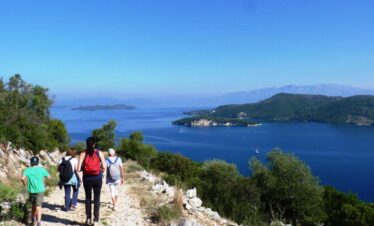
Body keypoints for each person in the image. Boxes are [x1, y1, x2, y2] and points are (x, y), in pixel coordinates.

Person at [77, 137, 106, 226]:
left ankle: (88, 218)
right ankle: (96, 220)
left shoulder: (83, 153)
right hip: (97, 178)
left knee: (88, 198)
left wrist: (84, 168)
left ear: (87, 144)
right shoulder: (99, 153)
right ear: (94, 144)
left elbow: (78, 169)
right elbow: (104, 167)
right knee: (97, 199)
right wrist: (100, 170)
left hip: (87, 178)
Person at [21, 156, 50, 226]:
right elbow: (49, 177)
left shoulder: (27, 170)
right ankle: (39, 222)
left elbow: (22, 178)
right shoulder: (41, 169)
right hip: (40, 190)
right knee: (38, 206)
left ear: (31, 163)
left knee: (33, 205)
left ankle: (33, 220)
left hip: (31, 190)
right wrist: (44, 182)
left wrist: (25, 184)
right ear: (37, 162)